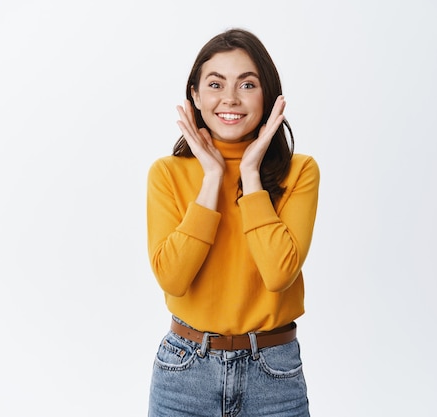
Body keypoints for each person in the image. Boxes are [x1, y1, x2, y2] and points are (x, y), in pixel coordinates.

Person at [146, 28, 320, 417]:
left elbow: (279, 274)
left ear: (269, 96)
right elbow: (172, 279)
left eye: (247, 84)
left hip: (273, 373)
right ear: (194, 95)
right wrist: (212, 178)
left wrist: (251, 175)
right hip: (184, 371)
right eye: (215, 84)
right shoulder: (167, 174)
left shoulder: (300, 172)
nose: (230, 98)